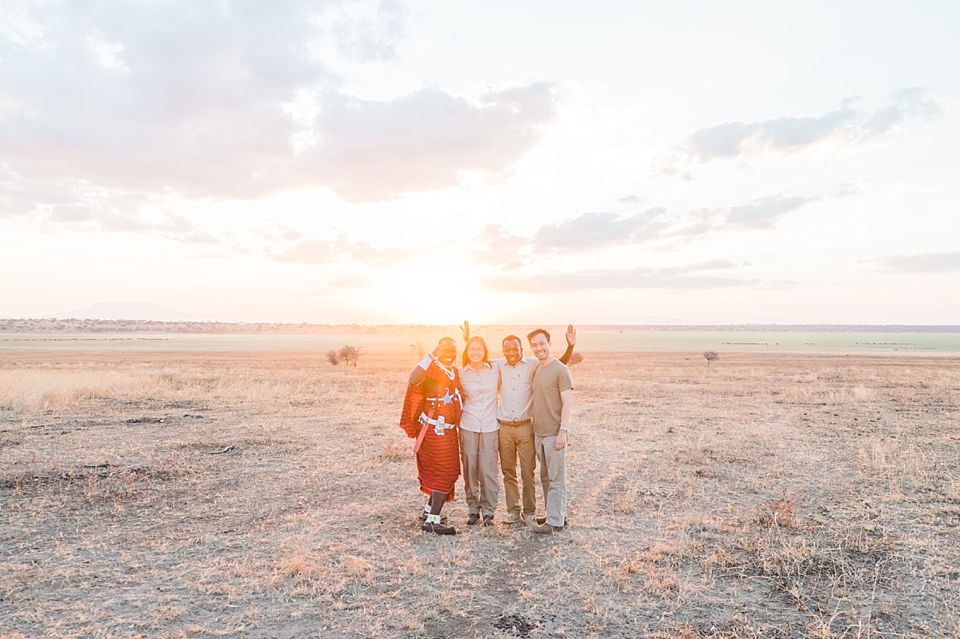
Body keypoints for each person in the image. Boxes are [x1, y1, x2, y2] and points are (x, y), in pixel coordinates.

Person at [462, 322, 575, 527]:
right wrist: (467, 341)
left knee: (527, 472)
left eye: (515, 348)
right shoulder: (497, 365)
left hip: (525, 427)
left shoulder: (532, 364)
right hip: (503, 427)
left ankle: (529, 511)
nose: (511, 352)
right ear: (503, 351)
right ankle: (513, 512)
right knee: (508, 471)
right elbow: (477, 358)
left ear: (522, 349)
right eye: (507, 349)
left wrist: (570, 348)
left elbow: (555, 366)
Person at [400, 337, 464, 535]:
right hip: (435, 432)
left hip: (450, 432)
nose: (450, 354)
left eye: (453, 351)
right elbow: (412, 379)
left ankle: (429, 512)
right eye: (445, 350)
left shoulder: (454, 372)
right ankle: (432, 522)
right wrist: (432, 354)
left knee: (447, 471)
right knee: (445, 472)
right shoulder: (430, 371)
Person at [527, 328, 573, 535]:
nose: (538, 348)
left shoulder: (561, 370)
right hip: (539, 433)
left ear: (549, 343)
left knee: (556, 478)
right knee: (545, 477)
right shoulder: (538, 368)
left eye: (541, 343)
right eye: (534, 345)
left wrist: (562, 431)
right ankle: (555, 514)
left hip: (555, 433)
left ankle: (555, 522)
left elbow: (567, 404)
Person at [458, 335, 499, 526]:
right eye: (471, 348)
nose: (475, 352)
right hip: (468, 425)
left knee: (488, 471)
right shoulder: (460, 373)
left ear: (485, 351)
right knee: (470, 469)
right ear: (467, 351)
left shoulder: (495, 369)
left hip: (490, 426)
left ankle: (489, 512)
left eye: (479, 348)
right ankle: (473, 510)